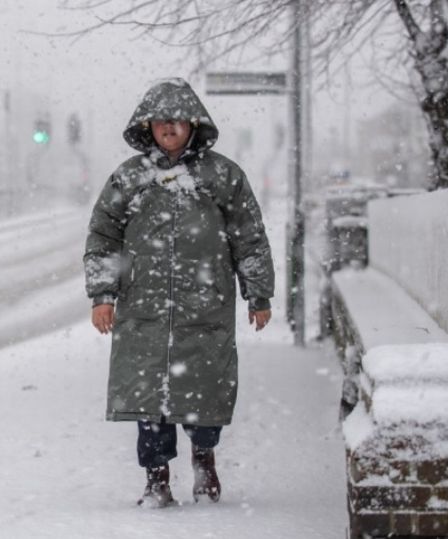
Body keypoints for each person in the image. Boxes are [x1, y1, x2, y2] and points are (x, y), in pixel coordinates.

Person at [84, 78, 275, 508]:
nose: (169, 128)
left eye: (177, 120)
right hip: (144, 310)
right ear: (147, 126)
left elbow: (250, 237)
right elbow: (103, 236)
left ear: (193, 124)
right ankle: (157, 479)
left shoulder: (222, 175)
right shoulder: (130, 177)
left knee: (204, 392)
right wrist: (102, 295)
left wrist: (258, 295)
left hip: (204, 306)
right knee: (149, 401)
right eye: (160, 121)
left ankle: (204, 458)